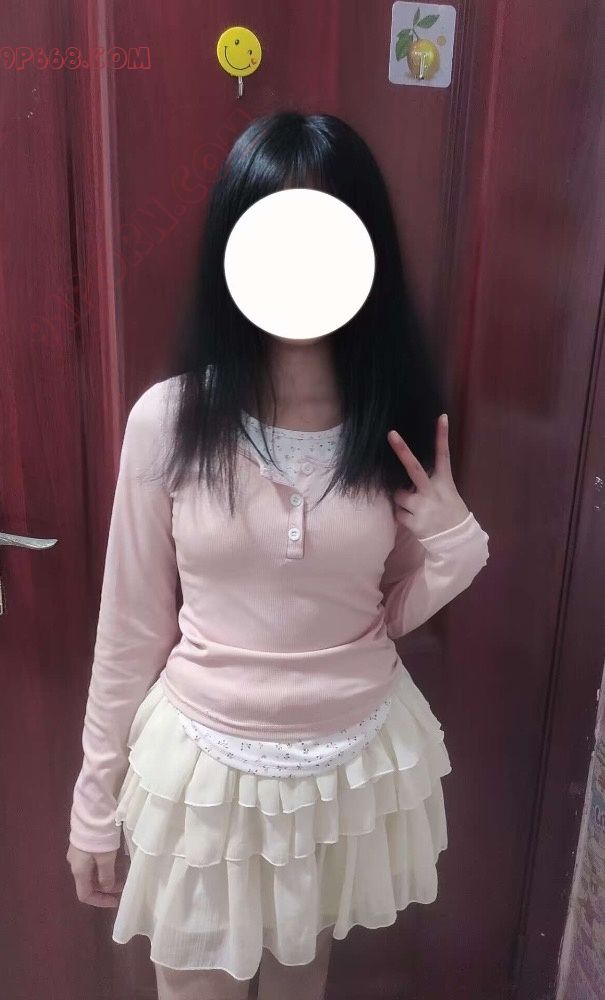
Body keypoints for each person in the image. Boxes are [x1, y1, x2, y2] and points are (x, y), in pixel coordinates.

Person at [66, 111, 490, 1000]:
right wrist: (93, 802)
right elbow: (128, 629)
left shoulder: (399, 425)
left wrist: (454, 544)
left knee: (303, 978)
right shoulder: (168, 420)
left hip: (347, 764)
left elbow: (384, 613)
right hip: (203, 765)